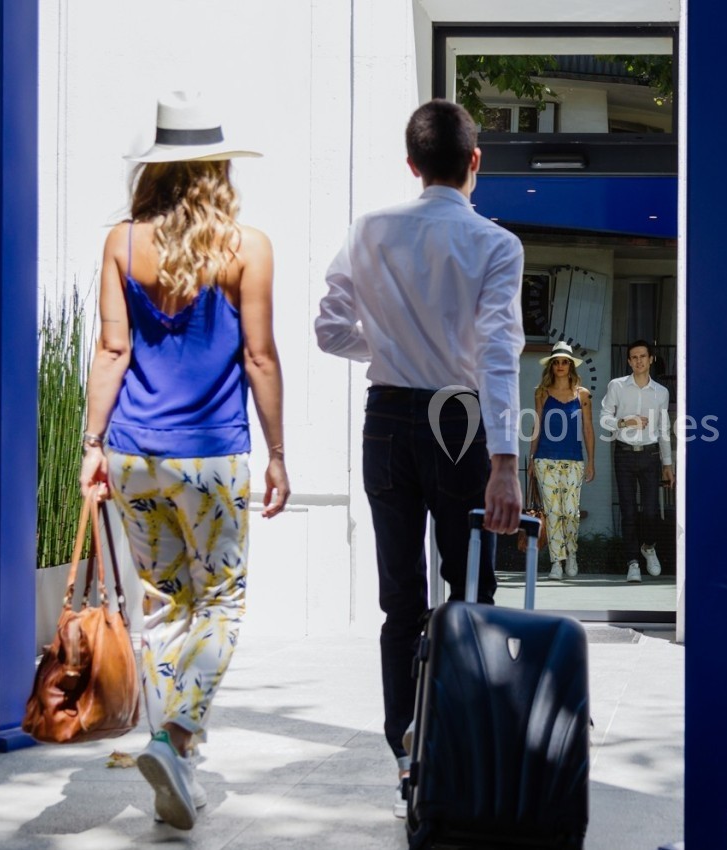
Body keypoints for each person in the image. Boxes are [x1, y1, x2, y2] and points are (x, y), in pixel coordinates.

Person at [79, 91, 290, 830]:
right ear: (218, 171)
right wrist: (280, 455)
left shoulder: (122, 243)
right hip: (212, 455)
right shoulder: (248, 247)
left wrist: (92, 445)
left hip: (136, 452)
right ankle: (173, 739)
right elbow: (259, 357)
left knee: (168, 603)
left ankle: (180, 758)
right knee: (221, 603)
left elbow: (112, 350)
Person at [314, 98, 524, 818]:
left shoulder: (370, 229)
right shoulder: (496, 244)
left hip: (389, 421)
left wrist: (394, 348)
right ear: (474, 161)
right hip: (463, 422)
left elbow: (329, 328)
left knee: (400, 600)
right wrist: (506, 460)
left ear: (411, 164)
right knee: (470, 595)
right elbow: (497, 352)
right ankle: (460, 741)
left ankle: (406, 745)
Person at [600, 340, 674, 582]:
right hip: (623, 453)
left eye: (643, 356)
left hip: (651, 455)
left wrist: (668, 464)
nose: (639, 360)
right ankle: (632, 562)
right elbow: (604, 418)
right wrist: (624, 422)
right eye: (634, 357)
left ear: (651, 359)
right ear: (629, 361)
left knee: (651, 512)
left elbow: (663, 429)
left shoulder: (661, 392)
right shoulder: (617, 387)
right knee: (629, 510)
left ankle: (648, 547)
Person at [528, 340, 596, 580]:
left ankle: (572, 555)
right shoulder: (542, 392)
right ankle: (556, 561)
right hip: (545, 458)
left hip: (574, 459)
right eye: (556, 362)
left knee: (570, 512)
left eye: (564, 361)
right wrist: (531, 457)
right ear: (551, 366)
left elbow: (588, 428)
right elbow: (537, 424)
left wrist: (591, 462)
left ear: (570, 365)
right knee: (553, 512)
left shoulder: (582, 394)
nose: (560, 366)